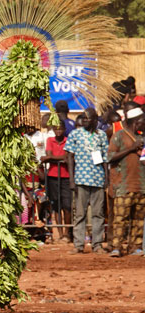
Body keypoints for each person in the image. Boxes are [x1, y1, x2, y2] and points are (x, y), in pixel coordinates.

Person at [65, 107, 109, 254]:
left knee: (98, 213)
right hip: (81, 178)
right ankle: (78, 245)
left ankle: (97, 244)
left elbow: (105, 158)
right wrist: (72, 179)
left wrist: (106, 178)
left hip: (98, 178)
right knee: (80, 213)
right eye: (83, 117)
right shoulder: (75, 134)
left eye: (88, 118)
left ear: (95, 120)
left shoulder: (101, 135)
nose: (84, 120)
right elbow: (69, 157)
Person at [107, 103, 145, 256]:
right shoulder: (119, 136)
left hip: (141, 184)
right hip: (123, 184)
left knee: (138, 219)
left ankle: (135, 246)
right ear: (135, 121)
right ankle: (116, 246)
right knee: (120, 218)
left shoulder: (141, 137)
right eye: (142, 121)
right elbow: (110, 157)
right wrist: (131, 148)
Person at [42, 119, 72, 243]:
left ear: (64, 129)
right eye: (56, 129)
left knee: (67, 206)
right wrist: (56, 158)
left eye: (60, 129)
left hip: (66, 176)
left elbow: (67, 157)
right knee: (56, 205)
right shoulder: (50, 140)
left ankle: (67, 233)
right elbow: (48, 154)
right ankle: (59, 233)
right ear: (53, 130)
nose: (58, 131)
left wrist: (50, 158)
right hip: (53, 176)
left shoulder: (68, 140)